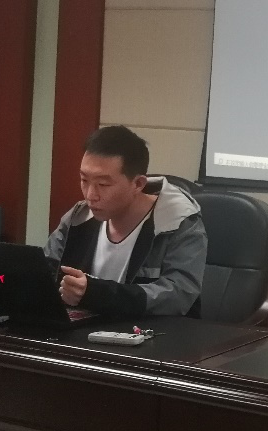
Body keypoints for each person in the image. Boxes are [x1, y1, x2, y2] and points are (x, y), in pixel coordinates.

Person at [45, 126, 206, 317]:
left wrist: (98, 294)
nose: (90, 195)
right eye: (84, 180)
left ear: (138, 184)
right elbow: (45, 271)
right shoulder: (79, 216)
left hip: (153, 331)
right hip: (86, 329)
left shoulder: (177, 224)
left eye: (103, 184)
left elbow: (179, 295)